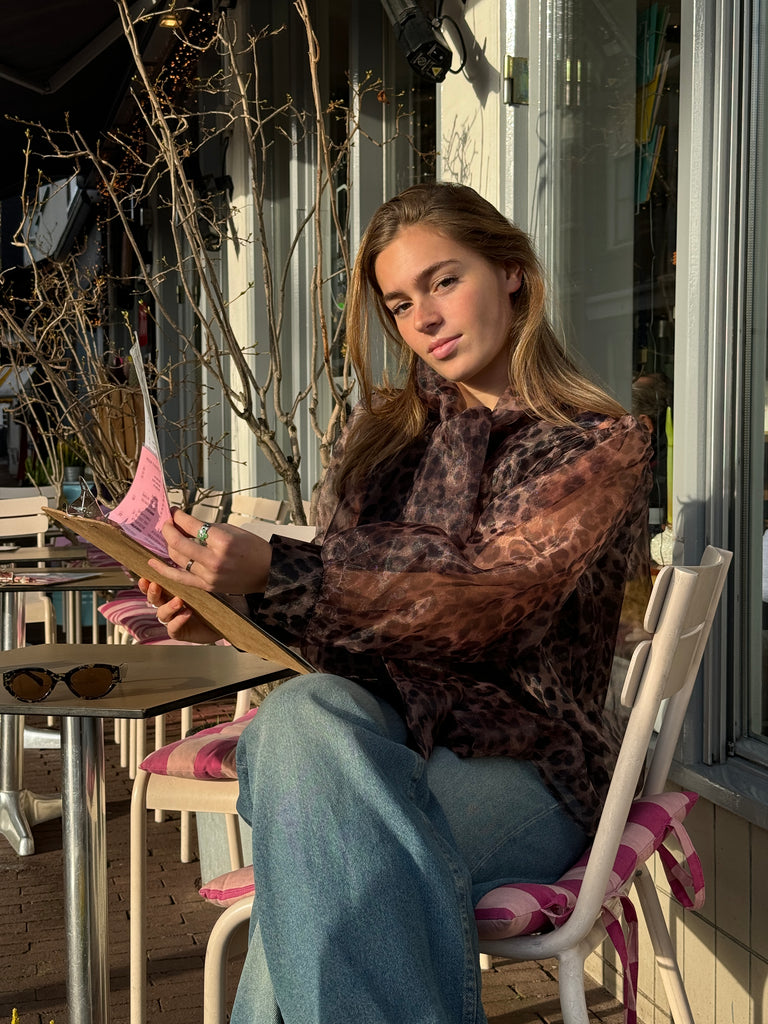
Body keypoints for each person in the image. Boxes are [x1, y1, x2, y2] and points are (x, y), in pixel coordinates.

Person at [140, 181, 651, 1024]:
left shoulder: (595, 447)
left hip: (529, 763)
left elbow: (484, 600)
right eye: (401, 303)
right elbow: (354, 642)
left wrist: (284, 575)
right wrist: (241, 613)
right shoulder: (383, 446)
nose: (426, 319)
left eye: (444, 281)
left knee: (322, 879)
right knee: (301, 718)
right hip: (374, 737)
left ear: (512, 272)